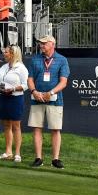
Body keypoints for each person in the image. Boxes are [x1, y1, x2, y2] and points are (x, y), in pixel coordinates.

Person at [27, 35, 69, 169]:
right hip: (37, 98)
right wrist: (34, 91)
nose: (41, 45)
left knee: (55, 129)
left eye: (44, 43)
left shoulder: (62, 60)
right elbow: (30, 79)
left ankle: (55, 159)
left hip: (55, 99)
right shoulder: (35, 59)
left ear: (52, 44)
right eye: (40, 43)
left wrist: (50, 93)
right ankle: (38, 158)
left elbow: (63, 82)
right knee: (36, 128)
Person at [0, 45, 28, 163]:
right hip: (4, 98)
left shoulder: (21, 68)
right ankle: (8, 152)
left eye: (6, 52)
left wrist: (13, 89)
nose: (4, 54)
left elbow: (25, 85)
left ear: (13, 53)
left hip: (16, 99)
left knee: (16, 126)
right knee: (6, 125)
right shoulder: (4, 67)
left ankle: (17, 153)